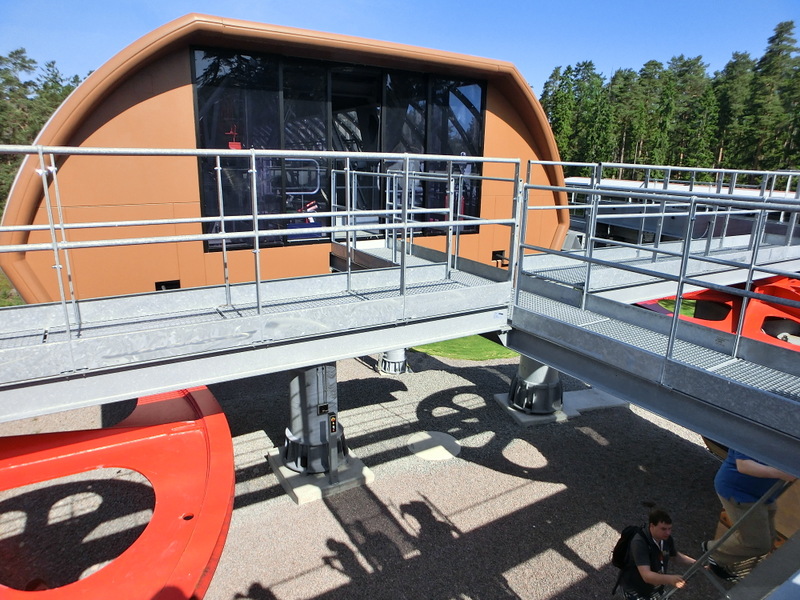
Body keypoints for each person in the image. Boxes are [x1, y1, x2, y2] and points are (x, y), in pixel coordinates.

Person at [704, 448, 797, 581]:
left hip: (763, 496)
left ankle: (725, 560)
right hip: (740, 493)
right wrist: (782, 473)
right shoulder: (760, 436)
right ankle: (714, 552)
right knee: (758, 543)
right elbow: (744, 466)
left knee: (768, 538)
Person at [619, 508, 696, 600]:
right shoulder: (639, 542)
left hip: (655, 589)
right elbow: (646, 576)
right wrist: (670, 579)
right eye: (663, 529)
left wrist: (696, 563)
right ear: (652, 526)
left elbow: (674, 556)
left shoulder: (665, 539)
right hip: (637, 591)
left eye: (669, 529)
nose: (668, 533)